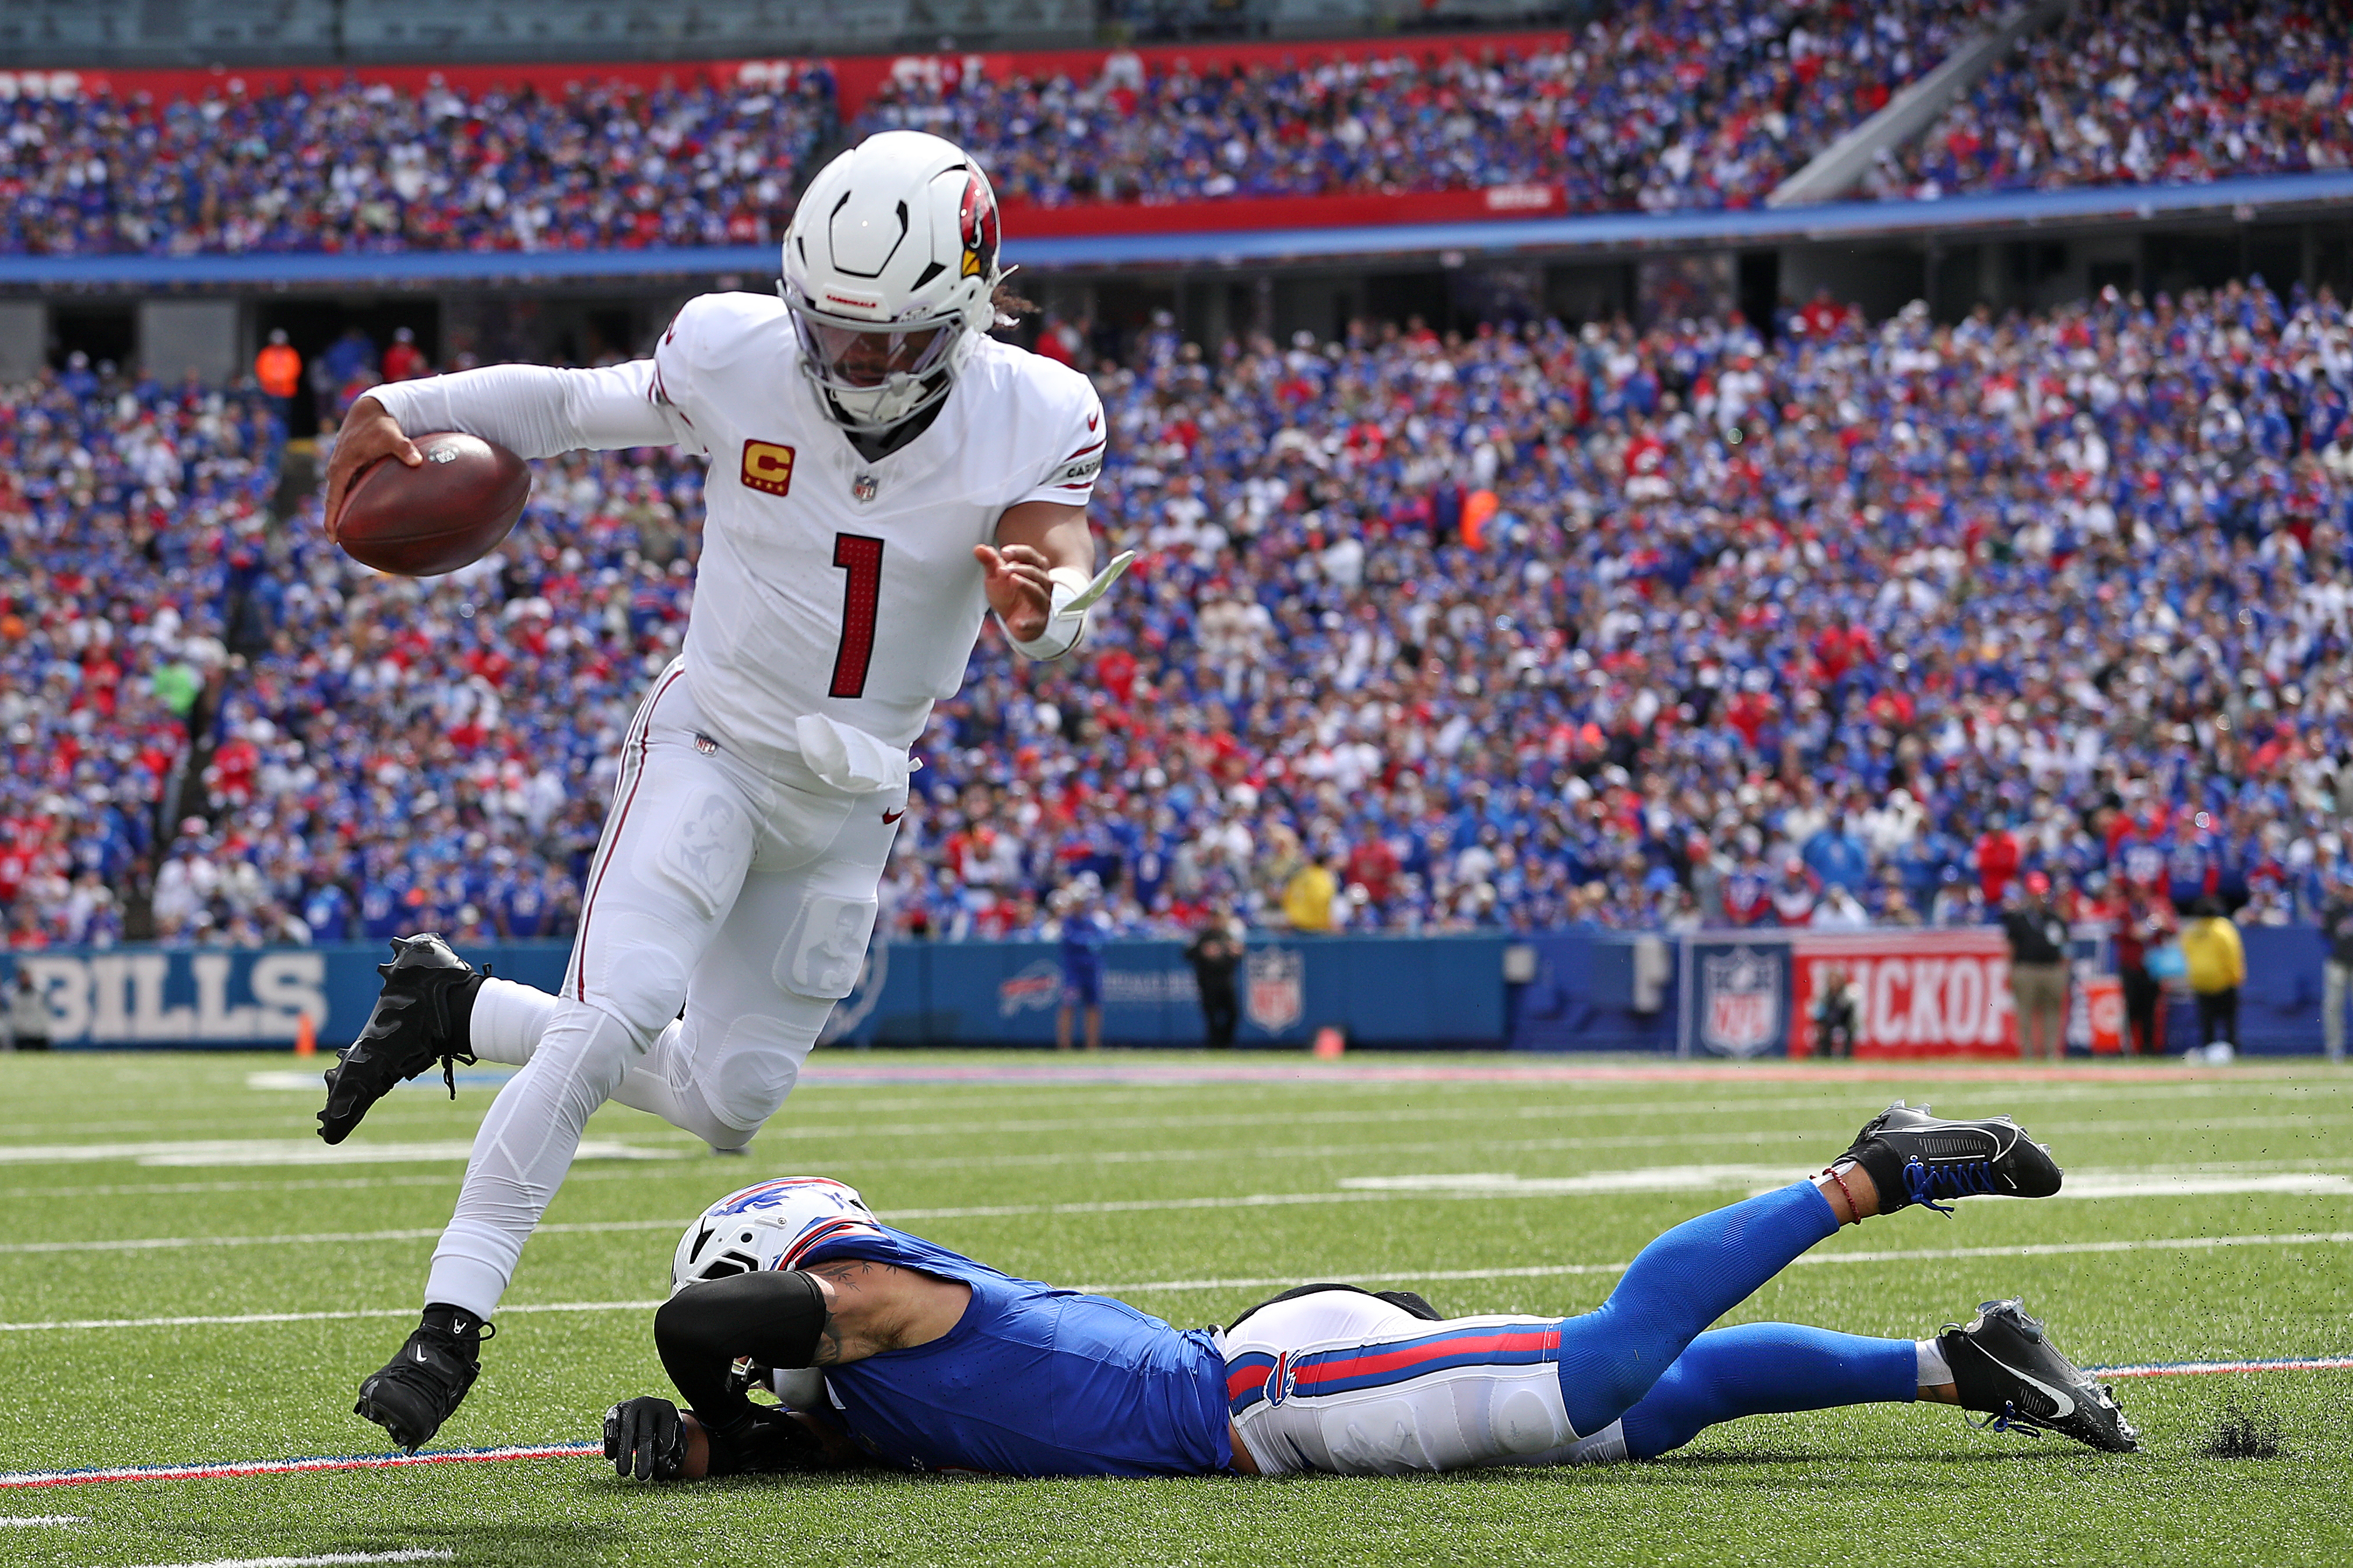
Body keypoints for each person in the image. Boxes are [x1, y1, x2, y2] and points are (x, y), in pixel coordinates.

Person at [310, 131, 1122, 1454]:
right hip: (711, 742)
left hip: (854, 793)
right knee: (614, 1007)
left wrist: (1043, 614)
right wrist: (410, 397)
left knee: (727, 1098)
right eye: (831, 333)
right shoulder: (738, 350)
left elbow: (1055, 569)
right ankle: (447, 1323)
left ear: (967, 308)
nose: (848, 363)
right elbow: (571, 408)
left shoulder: (1042, 407)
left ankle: (454, 1003)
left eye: (884, 341)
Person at [598, 1105, 2134, 1488]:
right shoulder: (871, 1373)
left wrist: (706, 1394)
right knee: (1661, 1408)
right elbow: (836, 1448)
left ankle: (1866, 1177)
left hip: (1263, 1399)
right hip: (1268, 1382)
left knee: (1599, 1367)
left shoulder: (861, 1291)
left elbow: (699, 1333)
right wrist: (713, 1453)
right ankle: (1959, 1361)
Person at [2001, 871, 2069, 1062]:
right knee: (2024, 1013)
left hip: (2052, 969)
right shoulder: (2019, 918)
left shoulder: (2056, 918)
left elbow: (2064, 947)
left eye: (2042, 894)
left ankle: (2050, 1052)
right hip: (2026, 969)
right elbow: (2011, 947)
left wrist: (2063, 971)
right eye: (2036, 894)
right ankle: (2028, 1054)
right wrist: (2010, 971)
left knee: (2052, 1012)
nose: (2040, 898)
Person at [2179, 894, 2246, 1054]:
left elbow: (2185, 952)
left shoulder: (2192, 931)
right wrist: (2237, 976)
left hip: (2200, 980)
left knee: (2206, 1021)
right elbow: (2232, 953)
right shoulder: (2223, 928)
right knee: (2229, 1020)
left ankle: (2208, 1049)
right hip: (2223, 979)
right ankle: (2232, 1049)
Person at [1054, 885, 1108, 1053]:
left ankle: (1092, 1046)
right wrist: (1088, 941)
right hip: (1074, 972)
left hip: (1091, 971)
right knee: (1068, 1006)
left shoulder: (1090, 922)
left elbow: (1104, 938)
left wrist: (1091, 941)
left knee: (1093, 1007)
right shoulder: (1068, 922)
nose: (1079, 906)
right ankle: (1065, 1046)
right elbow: (1072, 940)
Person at [1185, 902, 1243, 1047]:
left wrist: (1236, 953)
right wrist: (1203, 950)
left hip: (1226, 981)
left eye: (1220, 918)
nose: (1218, 921)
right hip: (1208, 982)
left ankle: (1226, 1043)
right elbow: (1188, 953)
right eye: (1215, 918)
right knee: (1211, 1016)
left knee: (1233, 1014)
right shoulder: (1203, 936)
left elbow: (1239, 953)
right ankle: (1214, 1045)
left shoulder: (1228, 935)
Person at [2319, 866, 2353, 1065]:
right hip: (2338, 962)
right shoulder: (2332, 907)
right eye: (2347, 887)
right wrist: (2334, 952)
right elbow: (2324, 935)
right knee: (2333, 1006)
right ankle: (2335, 1049)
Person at [254, 329, 302, 429]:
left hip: (287, 391)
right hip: (270, 391)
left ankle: (285, 436)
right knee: (272, 416)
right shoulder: (266, 354)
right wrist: (274, 379)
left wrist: (282, 379)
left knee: (286, 415)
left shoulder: (291, 354)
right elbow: (262, 370)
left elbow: (295, 370)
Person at [7, 970, 48, 1052]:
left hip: (39, 1032)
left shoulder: (40, 993)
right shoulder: (13, 994)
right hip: (22, 1033)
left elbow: (45, 1011)